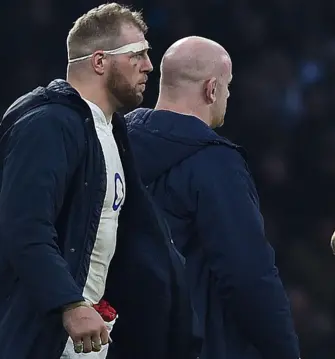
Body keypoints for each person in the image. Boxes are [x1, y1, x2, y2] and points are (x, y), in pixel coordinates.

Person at [0, 4, 197, 359]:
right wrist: (68, 303)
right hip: (38, 335)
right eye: (138, 55)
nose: (148, 66)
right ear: (99, 62)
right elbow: (24, 225)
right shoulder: (47, 125)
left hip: (83, 339)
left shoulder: (110, 133)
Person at [124, 36, 301, 359]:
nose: (228, 94)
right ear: (212, 89)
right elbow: (248, 274)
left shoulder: (111, 144)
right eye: (227, 85)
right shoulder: (215, 163)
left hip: (114, 338)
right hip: (190, 343)